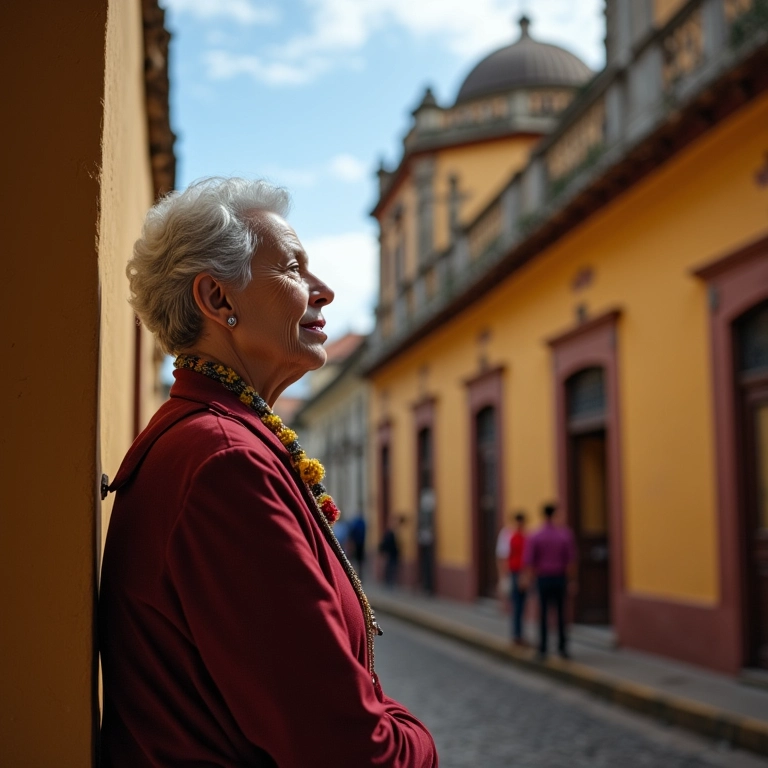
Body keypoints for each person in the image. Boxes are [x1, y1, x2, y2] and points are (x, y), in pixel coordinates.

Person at [99, 178, 437, 767]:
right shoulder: (225, 462)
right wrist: (419, 737)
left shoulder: (221, 437)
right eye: (293, 269)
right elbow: (354, 752)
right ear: (218, 299)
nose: (324, 291)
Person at [524, 502, 576, 661]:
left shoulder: (535, 535)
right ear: (554, 515)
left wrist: (529, 580)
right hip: (560, 578)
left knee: (544, 614)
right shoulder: (565, 534)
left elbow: (529, 561)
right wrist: (572, 581)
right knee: (561, 614)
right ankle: (562, 648)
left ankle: (543, 649)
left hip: (543, 579)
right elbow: (571, 561)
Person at [507, 512, 528, 645]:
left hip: (522, 573)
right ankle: (517, 634)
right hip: (516, 573)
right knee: (518, 605)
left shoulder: (524, 538)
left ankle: (518, 634)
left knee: (520, 605)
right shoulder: (513, 538)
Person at [379, 518, 402, 587]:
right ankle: (389, 582)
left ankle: (389, 582)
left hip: (392, 554)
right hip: (391, 554)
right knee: (390, 568)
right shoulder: (391, 534)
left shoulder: (393, 533)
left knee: (390, 568)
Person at [349, 512, 367, 580]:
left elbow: (352, 533)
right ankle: (358, 575)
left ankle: (354, 575)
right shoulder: (363, 523)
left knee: (355, 561)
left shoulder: (356, 523)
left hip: (356, 544)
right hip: (361, 544)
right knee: (360, 562)